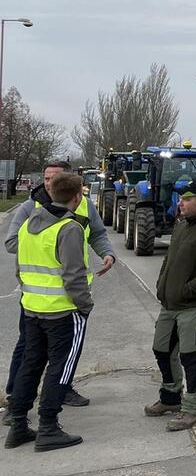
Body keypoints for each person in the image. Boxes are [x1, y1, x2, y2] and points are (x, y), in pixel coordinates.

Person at [4, 161, 114, 419]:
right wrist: (48, 246)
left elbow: (97, 234)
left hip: (57, 299)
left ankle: (49, 399)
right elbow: (14, 245)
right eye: (46, 177)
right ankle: (22, 406)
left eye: (55, 177)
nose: (49, 182)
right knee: (32, 354)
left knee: (55, 358)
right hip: (45, 301)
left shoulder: (83, 208)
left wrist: (106, 253)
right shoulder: (33, 209)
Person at [5, 172, 92, 451]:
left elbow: (20, 269)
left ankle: (18, 424)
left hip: (31, 309)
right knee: (60, 368)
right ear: (77, 196)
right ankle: (48, 427)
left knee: (31, 365)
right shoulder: (69, 228)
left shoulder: (28, 225)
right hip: (63, 312)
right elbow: (74, 275)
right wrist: (85, 306)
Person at [144, 178, 196, 431]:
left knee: (191, 355)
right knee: (162, 349)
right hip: (171, 303)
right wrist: (162, 285)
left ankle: (192, 410)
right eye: (181, 198)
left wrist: (188, 290)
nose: (180, 203)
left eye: (186, 199)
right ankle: (170, 397)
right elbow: (170, 259)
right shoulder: (182, 225)